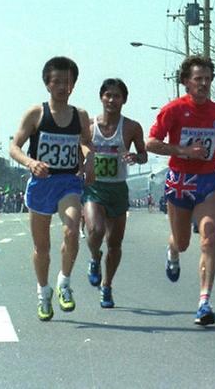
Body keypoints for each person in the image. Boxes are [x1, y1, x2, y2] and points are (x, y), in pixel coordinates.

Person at [147, 55, 215, 326]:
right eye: (198, 79)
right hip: (180, 181)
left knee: (208, 237)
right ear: (186, 83)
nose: (204, 84)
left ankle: (204, 301)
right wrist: (182, 150)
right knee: (182, 242)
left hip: (207, 181)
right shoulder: (173, 110)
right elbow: (151, 143)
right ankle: (172, 253)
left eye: (207, 79)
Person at [9, 57, 94, 321]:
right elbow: (14, 147)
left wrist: (88, 160)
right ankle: (43, 292)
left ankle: (64, 283)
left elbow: (86, 144)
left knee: (71, 229)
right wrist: (31, 163)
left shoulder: (79, 115)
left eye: (66, 81)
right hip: (41, 184)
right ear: (47, 83)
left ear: (73, 85)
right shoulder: (36, 113)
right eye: (56, 81)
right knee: (42, 247)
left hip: (68, 182)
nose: (61, 86)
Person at [83, 78, 147, 308]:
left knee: (114, 243)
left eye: (117, 96)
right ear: (101, 97)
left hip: (118, 188)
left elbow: (144, 155)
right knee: (95, 230)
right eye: (108, 95)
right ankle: (93, 257)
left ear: (124, 100)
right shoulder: (89, 126)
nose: (111, 100)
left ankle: (107, 286)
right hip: (94, 187)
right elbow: (79, 150)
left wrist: (135, 157)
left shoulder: (131, 127)